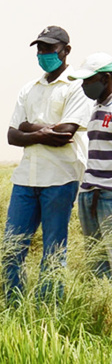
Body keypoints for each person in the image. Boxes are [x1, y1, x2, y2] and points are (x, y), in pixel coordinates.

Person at [3, 26, 91, 304]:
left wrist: (31, 128)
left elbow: (64, 134)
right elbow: (12, 135)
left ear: (66, 51)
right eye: (40, 49)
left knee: (54, 251)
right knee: (11, 248)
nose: (44, 54)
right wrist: (41, 133)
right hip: (26, 178)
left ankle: (48, 308)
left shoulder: (78, 86)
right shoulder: (29, 88)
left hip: (61, 178)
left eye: (50, 49)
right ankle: (13, 305)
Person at [69, 53, 112, 279]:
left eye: (89, 80)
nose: (84, 86)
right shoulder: (97, 105)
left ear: (105, 79)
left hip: (109, 193)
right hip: (90, 191)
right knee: (96, 259)